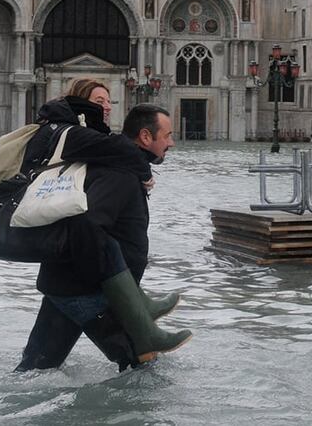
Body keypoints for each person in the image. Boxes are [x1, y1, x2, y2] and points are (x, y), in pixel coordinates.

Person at [17, 103, 190, 372]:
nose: (172, 143)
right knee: (143, 371)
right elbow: (88, 223)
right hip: (89, 291)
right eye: (167, 135)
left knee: (36, 368)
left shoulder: (119, 165)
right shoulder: (120, 174)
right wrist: (101, 284)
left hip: (64, 284)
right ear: (146, 137)